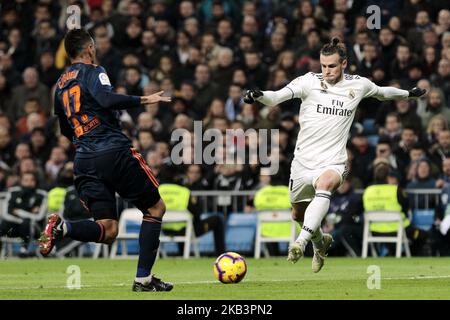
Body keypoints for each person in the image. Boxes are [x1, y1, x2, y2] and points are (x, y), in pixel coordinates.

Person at [243, 37, 426, 272]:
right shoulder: (308, 82)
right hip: (302, 162)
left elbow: (382, 93)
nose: (327, 71)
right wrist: (258, 96)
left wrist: (408, 94)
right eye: (323, 66)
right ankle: (321, 242)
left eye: (332, 66)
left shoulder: (358, 85)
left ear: (344, 64)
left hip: (333, 160)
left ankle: (300, 243)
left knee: (326, 184)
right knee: (297, 214)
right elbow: (276, 97)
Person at [38, 28, 173, 292]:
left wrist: (85, 142)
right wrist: (145, 99)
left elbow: (65, 127)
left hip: (84, 160)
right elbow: (106, 98)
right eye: (94, 46)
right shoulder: (94, 71)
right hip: (113, 152)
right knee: (155, 209)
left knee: (108, 230)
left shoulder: (60, 84)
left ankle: (62, 229)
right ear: (89, 49)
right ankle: (143, 279)